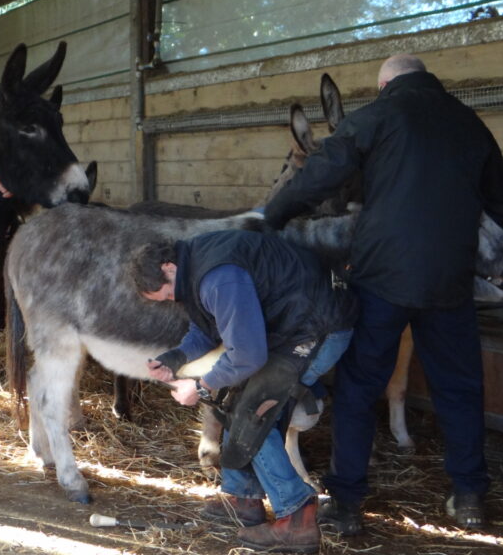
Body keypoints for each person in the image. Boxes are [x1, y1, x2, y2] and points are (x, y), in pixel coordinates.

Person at [263, 54, 503, 534]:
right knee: (460, 388)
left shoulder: (376, 116)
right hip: (450, 281)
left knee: (359, 388)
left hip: (382, 277)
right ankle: (468, 497)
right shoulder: (469, 122)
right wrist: (457, 240)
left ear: (385, 84)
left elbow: (321, 173)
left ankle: (347, 503)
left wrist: (271, 218)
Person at [130, 228, 357, 554]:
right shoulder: (195, 264)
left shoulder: (218, 277)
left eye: (166, 294)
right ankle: (243, 498)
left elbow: (248, 355)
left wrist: (201, 385)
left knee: (255, 410)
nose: (172, 300)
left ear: (168, 268)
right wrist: (174, 359)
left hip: (317, 327)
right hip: (290, 327)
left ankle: (297, 516)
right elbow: (206, 326)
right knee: (236, 397)